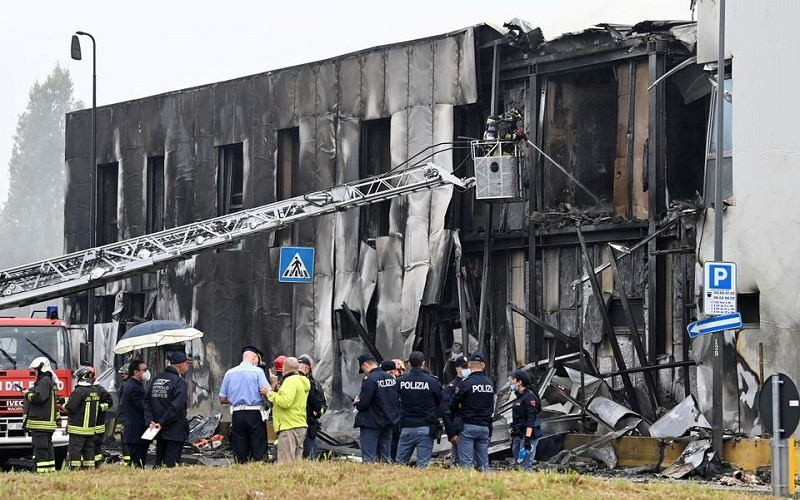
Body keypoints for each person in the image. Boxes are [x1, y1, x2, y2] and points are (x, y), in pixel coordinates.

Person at [219, 346, 271, 463]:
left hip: (237, 413)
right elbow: (267, 393)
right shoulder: (258, 371)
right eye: (258, 359)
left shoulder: (229, 373)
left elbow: (222, 399)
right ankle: (260, 468)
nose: (258, 362)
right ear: (254, 357)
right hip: (255, 412)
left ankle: (240, 468)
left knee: (240, 447)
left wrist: (235, 399)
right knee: (259, 447)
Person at [144, 351, 191, 468]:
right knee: (171, 464)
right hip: (174, 430)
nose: (187, 366)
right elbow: (176, 407)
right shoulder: (179, 382)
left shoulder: (156, 379)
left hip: (157, 430)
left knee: (159, 462)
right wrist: (162, 422)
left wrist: (151, 421)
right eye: (186, 363)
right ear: (180, 364)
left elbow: (146, 402)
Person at [395, 351, 442, 468]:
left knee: (399, 465)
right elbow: (440, 401)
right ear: (423, 363)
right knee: (423, 466)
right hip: (425, 428)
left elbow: (394, 401)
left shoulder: (400, 381)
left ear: (409, 364)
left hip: (406, 427)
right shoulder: (432, 381)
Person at [450, 351, 494, 471]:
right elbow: (491, 407)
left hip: (468, 426)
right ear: (484, 365)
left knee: (466, 464)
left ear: (469, 364)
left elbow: (452, 404)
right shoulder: (489, 383)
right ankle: (487, 487)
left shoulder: (466, 383)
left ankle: (468, 488)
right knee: (484, 464)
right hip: (484, 427)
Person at [353, 353, 398, 463]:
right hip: (388, 422)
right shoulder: (390, 378)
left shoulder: (370, 379)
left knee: (369, 459)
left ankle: (370, 479)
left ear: (365, 365)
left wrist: (356, 403)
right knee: (385, 458)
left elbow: (364, 403)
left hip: (371, 423)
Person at [266, 356, 309, 463]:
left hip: (288, 426)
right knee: (296, 462)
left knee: (285, 463)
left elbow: (285, 402)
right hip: (300, 424)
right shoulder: (303, 380)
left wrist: (269, 393)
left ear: (284, 368)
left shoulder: (289, 381)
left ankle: (286, 480)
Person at [22, 357, 59, 473]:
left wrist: (27, 394)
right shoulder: (48, 381)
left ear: (41, 368)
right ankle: (49, 471)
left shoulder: (44, 381)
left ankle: (42, 472)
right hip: (45, 423)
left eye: (36, 370)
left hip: (40, 422)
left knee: (41, 449)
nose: (35, 372)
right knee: (47, 447)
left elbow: (39, 398)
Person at [65, 366, 101, 470]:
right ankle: (89, 469)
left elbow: (71, 407)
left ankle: (75, 470)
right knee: (88, 450)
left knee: (75, 450)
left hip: (78, 428)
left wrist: (64, 405)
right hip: (90, 429)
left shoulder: (79, 391)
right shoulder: (94, 390)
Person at [508, 370, 542, 471]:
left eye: (513, 379)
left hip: (527, 435)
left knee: (525, 464)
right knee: (518, 460)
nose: (510, 381)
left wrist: (527, 438)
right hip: (519, 434)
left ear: (520, 382)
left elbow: (530, 418)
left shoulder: (529, 397)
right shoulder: (519, 396)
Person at [122, 359, 151, 468]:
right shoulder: (134, 388)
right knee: (137, 462)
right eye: (144, 370)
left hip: (136, 431)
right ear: (136, 372)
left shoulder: (135, 385)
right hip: (136, 431)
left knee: (138, 460)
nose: (146, 372)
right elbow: (142, 406)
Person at [441, 356, 468, 465]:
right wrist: (451, 433)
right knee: (459, 461)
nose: (467, 369)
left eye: (468, 367)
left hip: (469, 426)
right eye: (464, 367)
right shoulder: (451, 387)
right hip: (458, 429)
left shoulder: (470, 383)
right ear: (458, 369)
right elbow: (446, 411)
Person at [298, 355, 326, 459]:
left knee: (310, 456)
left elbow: (322, 404)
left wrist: (318, 413)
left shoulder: (315, 385)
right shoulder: (291, 381)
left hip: (310, 426)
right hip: (296, 424)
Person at [89, 366, 113, 468]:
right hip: (88, 425)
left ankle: (97, 465)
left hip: (98, 425)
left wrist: (98, 408)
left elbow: (109, 403)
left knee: (96, 447)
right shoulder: (86, 389)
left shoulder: (100, 390)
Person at [117, 365, 131, 466]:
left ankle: (127, 462)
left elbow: (122, 405)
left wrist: (120, 419)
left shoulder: (126, 387)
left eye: (124, 373)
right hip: (128, 418)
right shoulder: (128, 385)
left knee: (125, 441)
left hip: (126, 419)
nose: (122, 375)